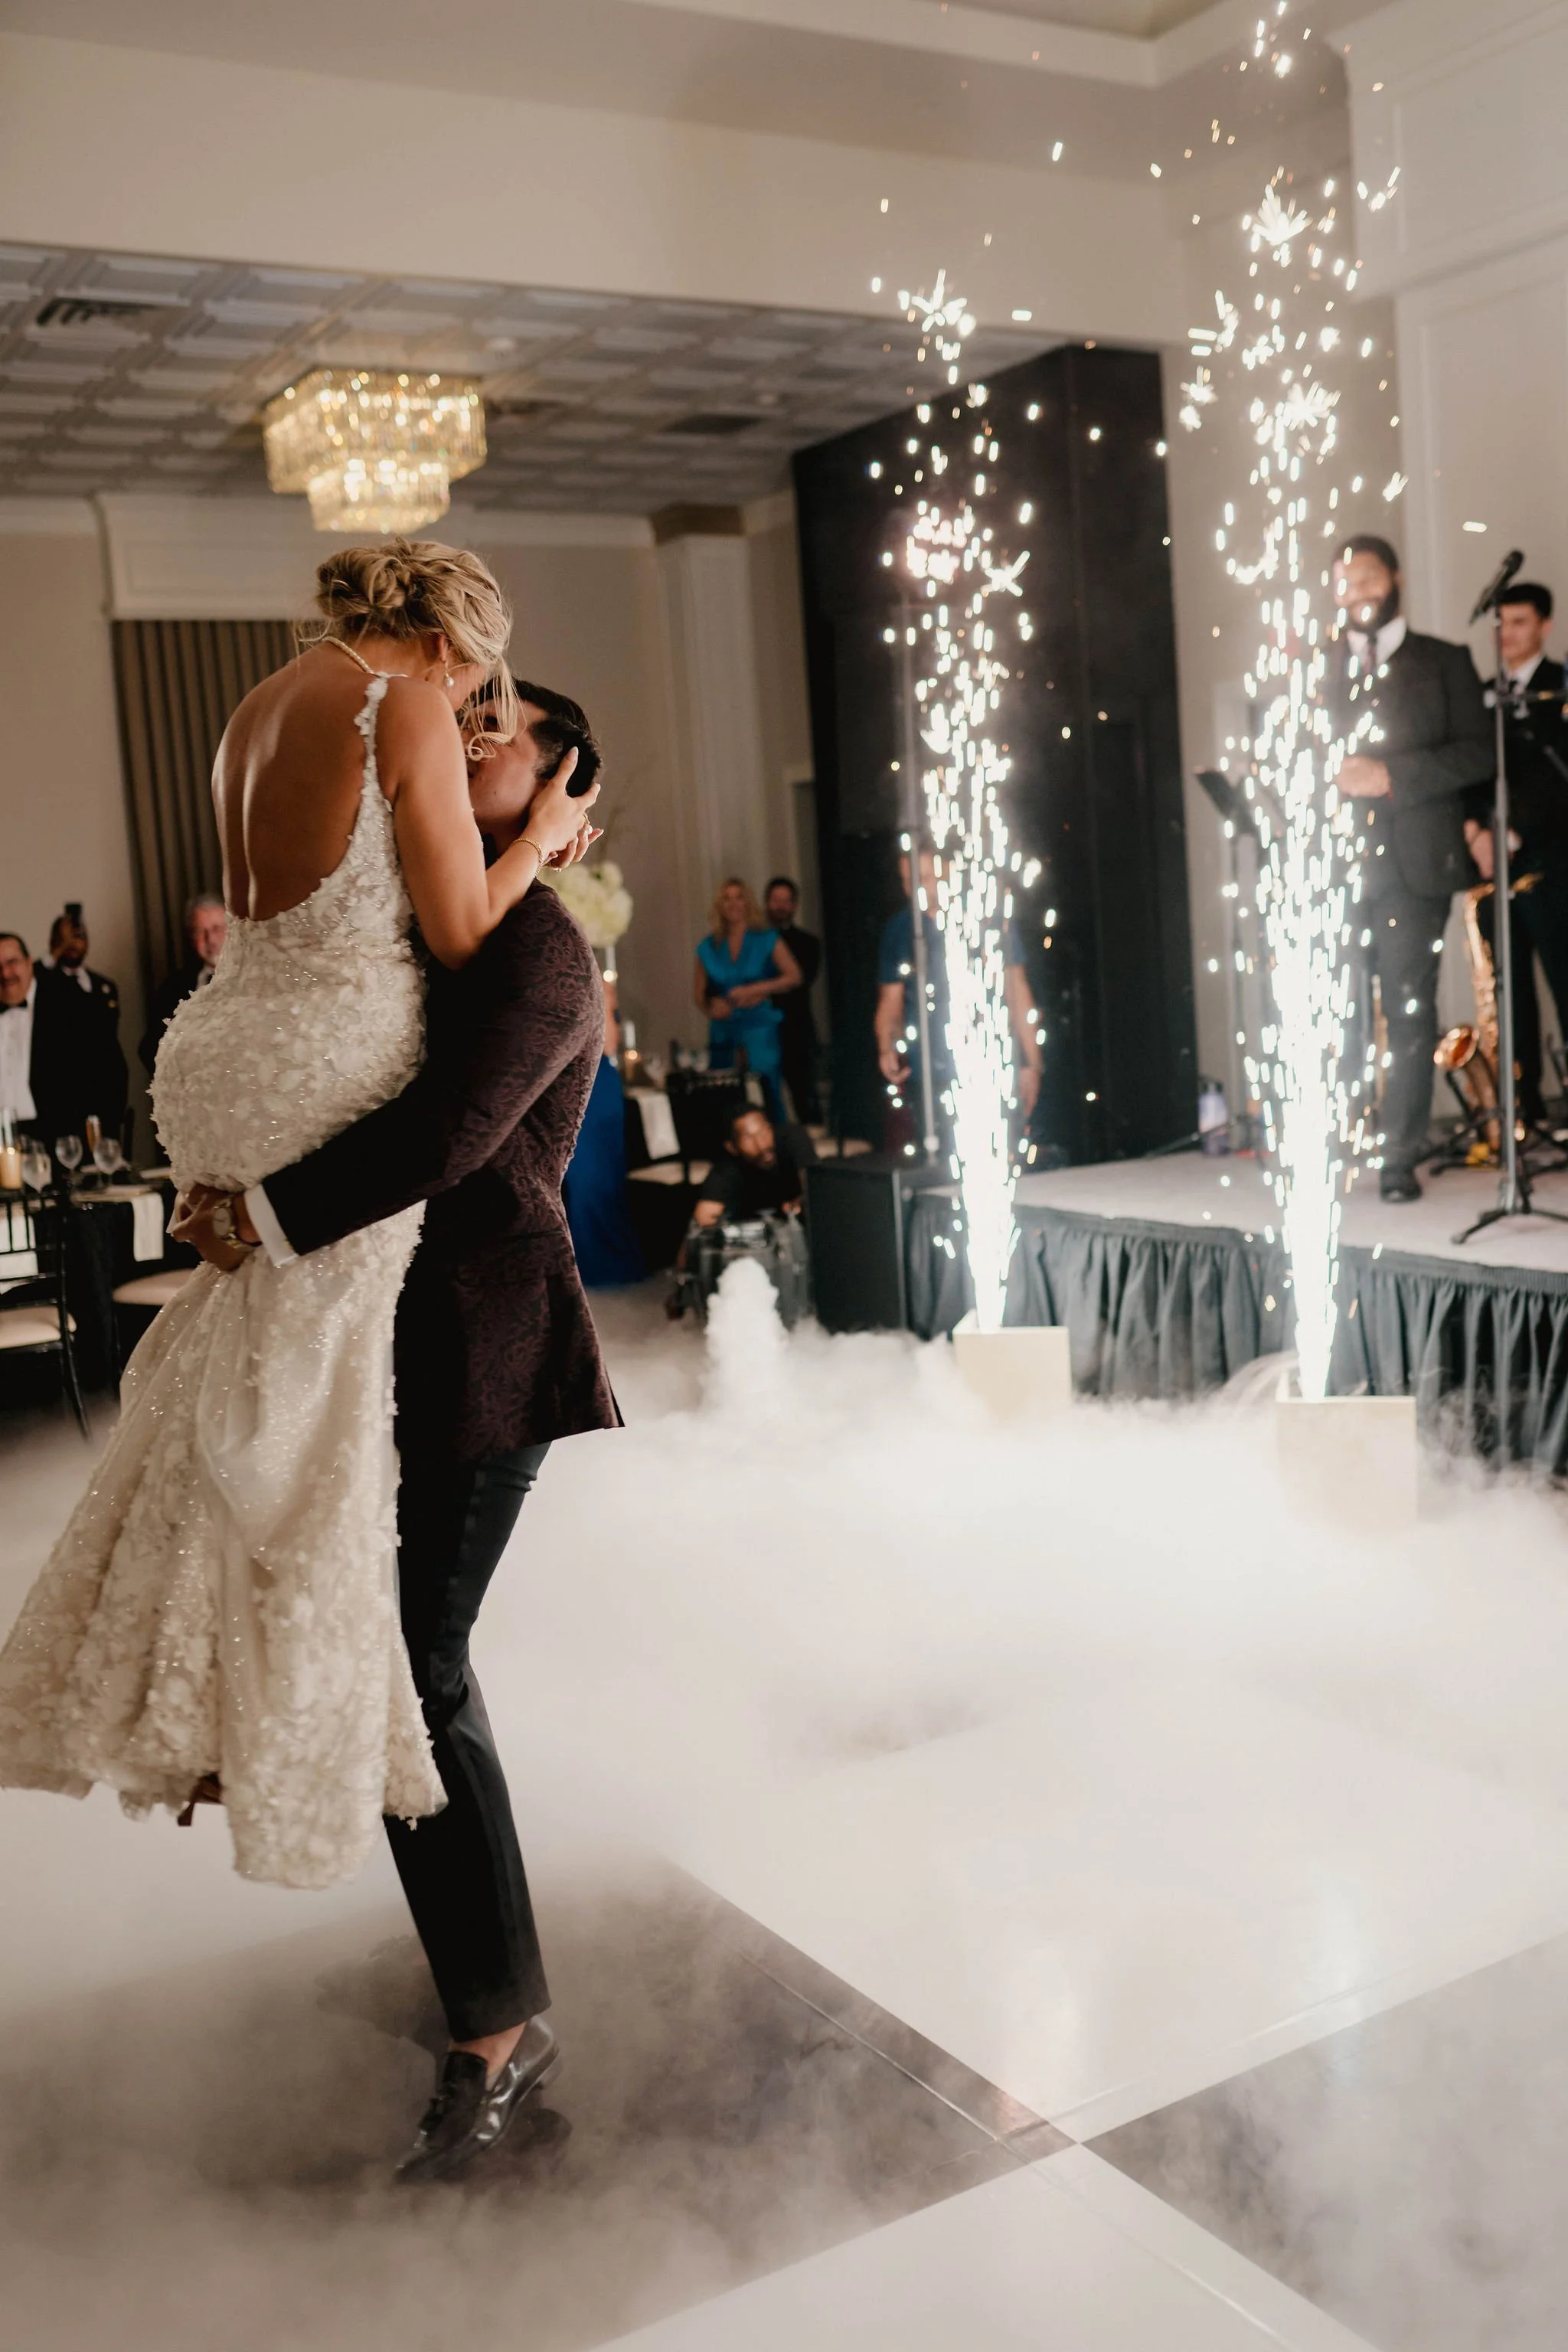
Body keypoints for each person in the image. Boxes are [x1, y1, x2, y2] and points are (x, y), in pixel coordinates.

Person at [0, 540, 597, 1908]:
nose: (468, 728)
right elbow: (452, 938)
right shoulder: (397, 707)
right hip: (318, 1070)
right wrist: (538, 846)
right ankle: (261, 1717)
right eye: (476, 702)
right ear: (451, 649)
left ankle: (210, 1696)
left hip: (222, 1050)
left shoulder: (261, 703)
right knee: (314, 1439)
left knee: (248, 1398)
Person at [174, 675, 619, 2183]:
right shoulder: (452, 937)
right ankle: (472, 1976)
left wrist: (262, 1212)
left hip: (493, 1351)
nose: (461, 746)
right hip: (397, 1345)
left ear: (560, 806)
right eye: (466, 726)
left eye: (499, 740)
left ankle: (500, 2035)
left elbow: (449, 1138)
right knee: (391, 1663)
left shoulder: (544, 951)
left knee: (420, 1672)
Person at [1329, 534, 1492, 1202]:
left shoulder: (1445, 661)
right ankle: (1339, 1143)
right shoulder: (1319, 668)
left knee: (1407, 1011)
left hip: (1414, 864)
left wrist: (1389, 775)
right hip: (1335, 867)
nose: (1357, 591)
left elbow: (1479, 755)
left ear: (1394, 578)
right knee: (1337, 1013)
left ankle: (1399, 1156)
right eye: (1344, 582)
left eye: (1366, 577)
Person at [1461, 581, 1568, 1124]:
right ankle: (1521, 1106)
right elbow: (1471, 774)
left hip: (1552, 862)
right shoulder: (1480, 694)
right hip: (1492, 867)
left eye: (1521, 622)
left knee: (1565, 979)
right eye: (1501, 623)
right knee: (1508, 992)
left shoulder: (1561, 688)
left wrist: (1515, 831)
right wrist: (1476, 830)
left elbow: (1556, 778)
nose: (1508, 634)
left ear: (1545, 625)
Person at [874, 844, 1043, 1148]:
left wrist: (1031, 1062)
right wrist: (886, 1046)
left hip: (989, 1062)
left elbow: (1016, 990)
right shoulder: (900, 929)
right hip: (927, 1071)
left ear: (948, 872)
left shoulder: (987, 916)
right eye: (907, 880)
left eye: (925, 877)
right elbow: (890, 1000)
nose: (916, 888)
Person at [0, 927, 127, 1151]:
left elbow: (111, 1074)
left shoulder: (73, 1003)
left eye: (12, 962)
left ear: (30, 963)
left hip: (61, 1140)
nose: (5, 973)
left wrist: (100, 1142)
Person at [694, 878, 802, 1119]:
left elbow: (794, 976)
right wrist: (712, 1006)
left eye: (739, 897)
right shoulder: (708, 946)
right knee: (724, 1090)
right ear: (720, 905)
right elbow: (699, 994)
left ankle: (776, 1139)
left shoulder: (765, 938)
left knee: (768, 1086)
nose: (733, 904)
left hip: (759, 1023)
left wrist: (757, 989)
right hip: (724, 1026)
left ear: (748, 902)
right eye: (727, 898)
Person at [139, 893, 227, 1073]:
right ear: (190, 937)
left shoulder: (253, 977)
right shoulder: (174, 985)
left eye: (217, 928)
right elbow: (149, 1048)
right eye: (200, 931)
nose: (210, 939)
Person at [692, 1104, 817, 1227]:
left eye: (763, 1132)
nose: (761, 1145)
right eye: (748, 1138)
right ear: (732, 1147)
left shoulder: (793, 1139)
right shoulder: (727, 1168)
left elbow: (815, 1189)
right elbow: (703, 1218)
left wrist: (802, 1201)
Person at [765, 875, 822, 1123]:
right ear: (767, 903)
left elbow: (801, 980)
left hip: (795, 1027)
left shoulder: (809, 944)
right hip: (761, 1026)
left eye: (786, 901)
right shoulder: (753, 943)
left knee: (803, 1093)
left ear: (794, 905)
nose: (780, 906)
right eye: (776, 900)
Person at [41, 906, 121, 1031]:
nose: (73, 943)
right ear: (54, 942)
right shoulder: (45, 982)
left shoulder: (105, 986)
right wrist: (58, 949)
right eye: (66, 938)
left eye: (78, 936)